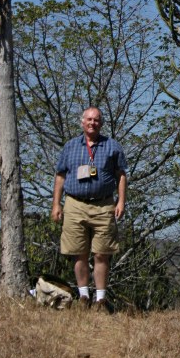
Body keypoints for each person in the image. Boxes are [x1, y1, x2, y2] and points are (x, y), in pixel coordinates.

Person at [51, 107, 127, 310]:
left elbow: (121, 175)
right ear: (82, 122)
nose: (92, 123)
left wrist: (120, 202)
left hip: (103, 205)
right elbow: (60, 175)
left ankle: (100, 299)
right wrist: (56, 204)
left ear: (101, 123)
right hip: (75, 204)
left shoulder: (112, 146)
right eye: (89, 119)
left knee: (102, 253)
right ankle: (83, 296)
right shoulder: (70, 146)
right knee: (79, 252)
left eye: (96, 120)